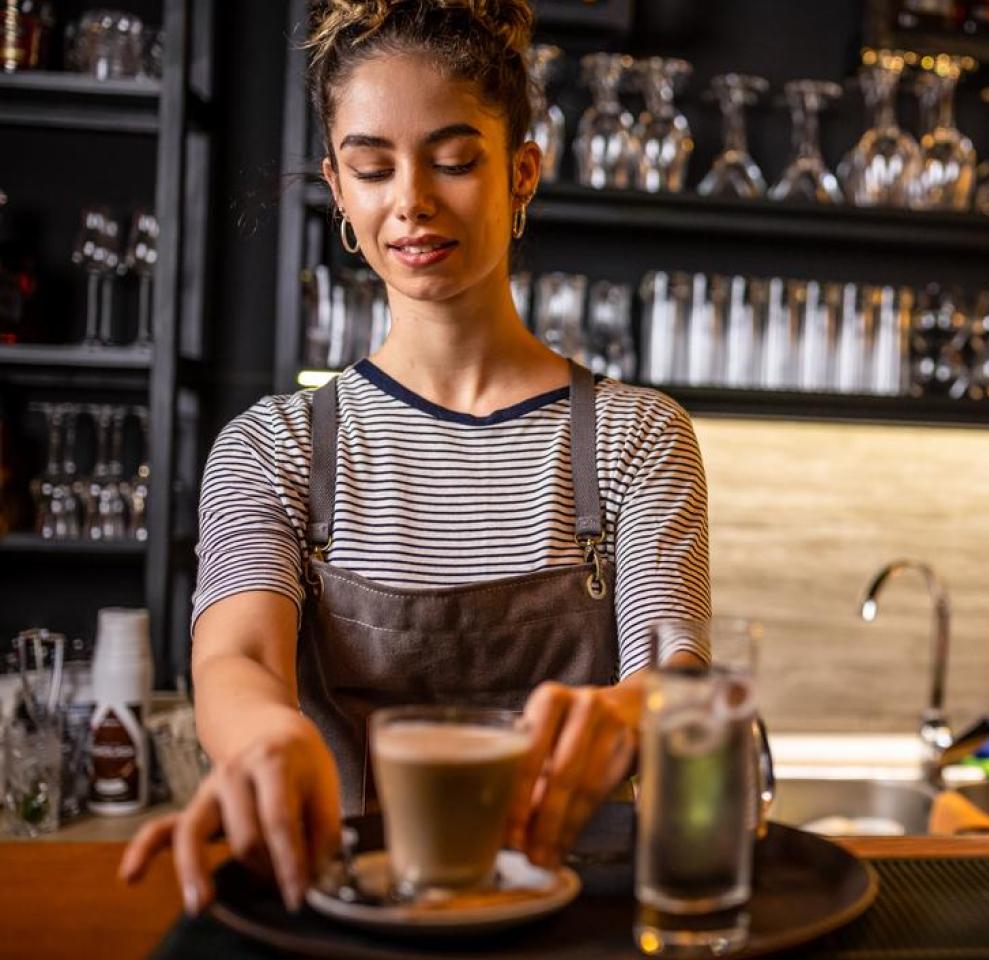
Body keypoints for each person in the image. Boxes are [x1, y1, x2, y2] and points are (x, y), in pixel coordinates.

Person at [119, 0, 711, 915]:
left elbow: (678, 681)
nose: (412, 202)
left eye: (454, 160)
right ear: (339, 191)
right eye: (371, 167)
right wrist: (266, 739)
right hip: (355, 914)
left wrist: (639, 714)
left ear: (521, 174)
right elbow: (237, 659)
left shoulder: (634, 437)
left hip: (579, 919)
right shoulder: (274, 448)